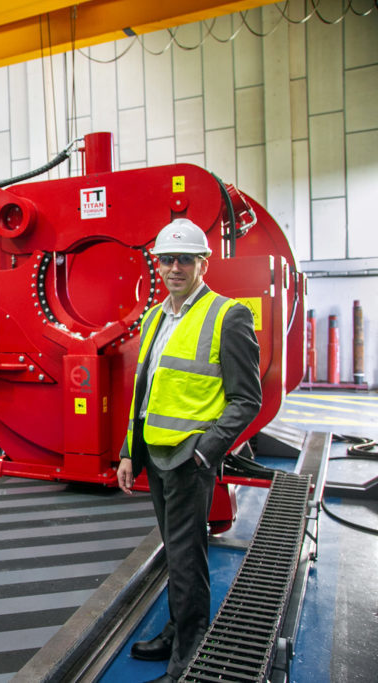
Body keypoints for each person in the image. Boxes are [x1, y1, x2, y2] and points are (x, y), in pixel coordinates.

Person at [116, 218, 262, 682]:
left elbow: (247, 399)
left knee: (185, 554)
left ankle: (189, 652)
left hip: (188, 458)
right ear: (157, 264)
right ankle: (178, 629)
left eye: (184, 259)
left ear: (204, 262)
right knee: (175, 551)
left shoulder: (228, 315)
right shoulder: (158, 315)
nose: (174, 267)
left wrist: (206, 451)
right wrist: (128, 452)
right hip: (155, 457)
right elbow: (146, 389)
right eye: (166, 259)